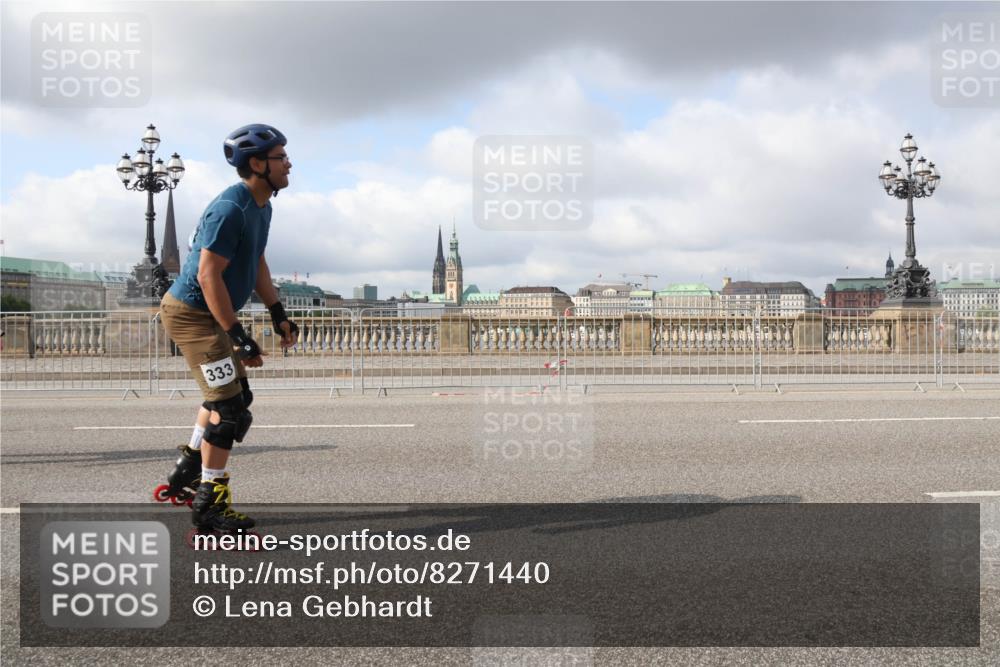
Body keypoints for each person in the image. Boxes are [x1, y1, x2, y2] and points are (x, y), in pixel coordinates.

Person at [157, 124, 297, 534]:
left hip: (210, 313)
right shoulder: (230, 209)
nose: (289, 163)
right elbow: (207, 275)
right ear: (257, 164)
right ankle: (210, 506)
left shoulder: (262, 206)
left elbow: (255, 261)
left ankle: (187, 467)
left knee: (233, 396)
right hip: (192, 314)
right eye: (281, 157)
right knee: (230, 410)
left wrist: (276, 311)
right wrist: (237, 334)